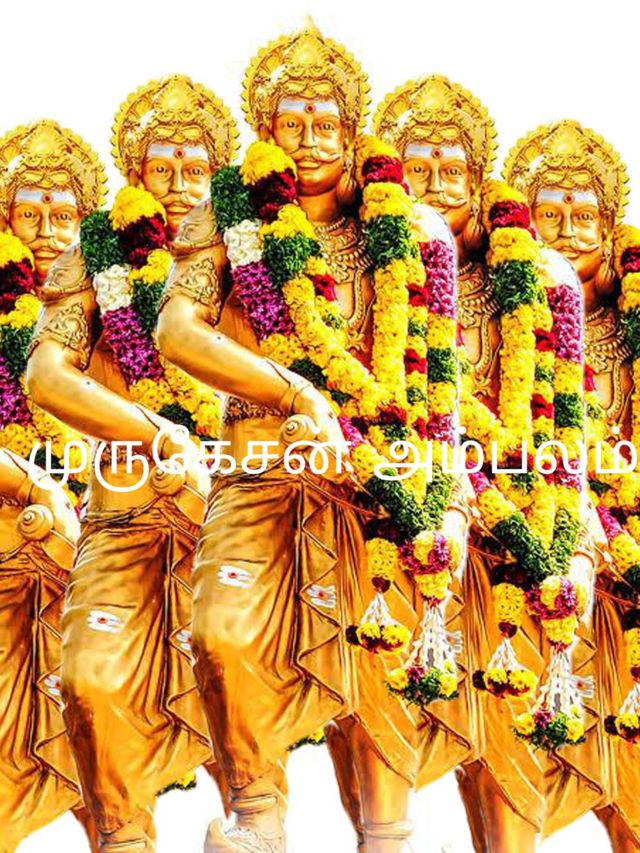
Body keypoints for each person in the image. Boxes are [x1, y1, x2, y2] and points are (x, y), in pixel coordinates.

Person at [158, 23, 469, 853]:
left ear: (352, 128)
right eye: (290, 123)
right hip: (259, 466)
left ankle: (386, 837)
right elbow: (177, 332)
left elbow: (442, 387)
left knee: (377, 668)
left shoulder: (413, 231)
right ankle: (257, 815)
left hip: (383, 481)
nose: (309, 138)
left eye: (325, 122)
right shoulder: (227, 220)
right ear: (265, 129)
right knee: (219, 630)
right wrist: (292, 389)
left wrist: (447, 501)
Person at [375, 78, 597, 851]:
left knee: (509, 736)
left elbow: (565, 438)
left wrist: (575, 549)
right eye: (419, 170)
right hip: (400, 491)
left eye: (453, 172)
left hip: (518, 519)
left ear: (480, 181)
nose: (437, 187)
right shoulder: (378, 256)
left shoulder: (537, 284)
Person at [25, 77, 238, 852]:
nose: (178, 185)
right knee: (86, 681)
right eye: (161, 169)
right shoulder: (93, 263)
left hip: (238, 506)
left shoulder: (259, 254)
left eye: (194, 170)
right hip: (122, 510)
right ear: (135, 174)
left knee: (236, 659)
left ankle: (257, 817)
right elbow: (47, 377)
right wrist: (155, 431)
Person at [506, 119, 640, 850]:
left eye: (583, 217)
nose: (565, 232)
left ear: (610, 227)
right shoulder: (498, 310)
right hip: (541, 548)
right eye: (548, 216)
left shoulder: (632, 322)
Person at [0, 119, 105, 851]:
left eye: (63, 216)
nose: (46, 232)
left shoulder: (114, 306)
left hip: (92, 539)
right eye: (28, 215)